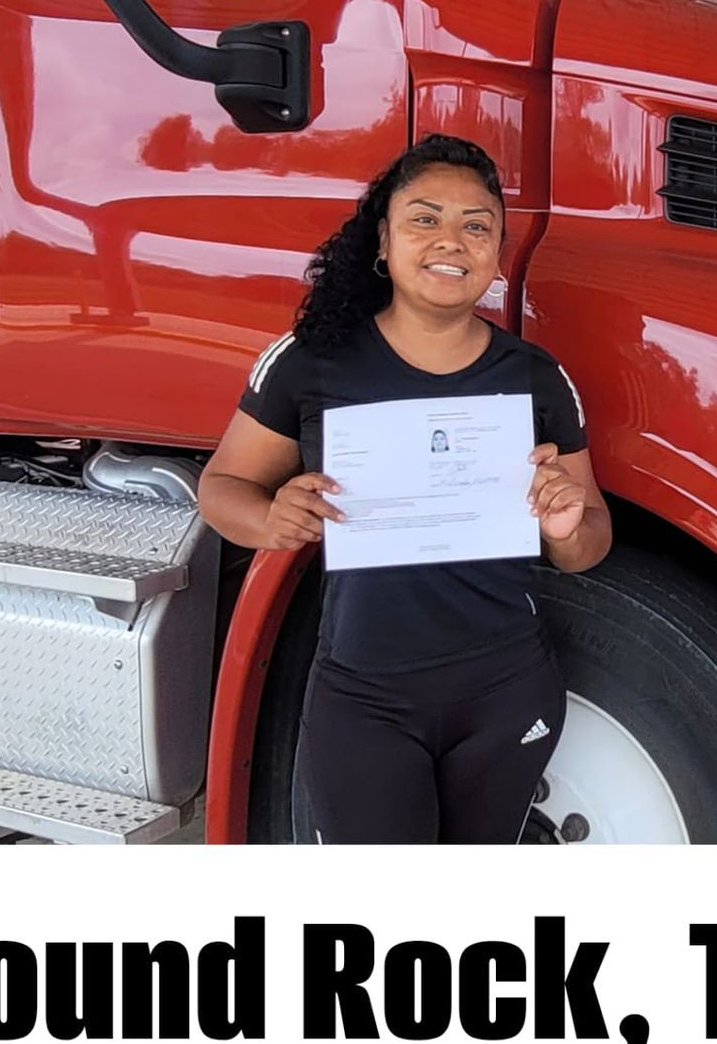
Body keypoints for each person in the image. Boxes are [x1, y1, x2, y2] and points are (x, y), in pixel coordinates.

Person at [198, 134, 612, 844]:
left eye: (476, 225)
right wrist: (270, 519)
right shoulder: (311, 361)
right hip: (366, 700)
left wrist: (568, 526)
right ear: (383, 242)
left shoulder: (536, 377)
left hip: (506, 691)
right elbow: (220, 487)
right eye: (424, 218)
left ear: (497, 252)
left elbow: (588, 543)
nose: (451, 240)